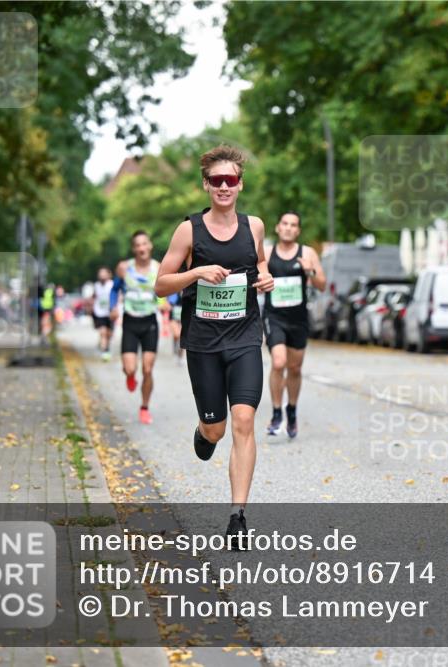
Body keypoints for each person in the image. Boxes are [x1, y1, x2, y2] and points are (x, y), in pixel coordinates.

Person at [154, 144, 274, 545]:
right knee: (218, 428)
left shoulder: (254, 226)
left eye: (231, 180)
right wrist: (197, 271)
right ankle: (205, 433)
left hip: (243, 338)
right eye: (217, 180)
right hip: (204, 342)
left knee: (244, 421)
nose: (225, 186)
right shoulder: (190, 230)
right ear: (206, 185)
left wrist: (266, 278)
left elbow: (260, 265)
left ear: (240, 185)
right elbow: (160, 284)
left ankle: (238, 516)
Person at [264, 211, 326, 438]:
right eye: (285, 224)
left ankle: (291, 410)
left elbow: (322, 285)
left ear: (298, 230)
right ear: (278, 227)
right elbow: (256, 279)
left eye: (293, 225)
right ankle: (276, 412)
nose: (289, 228)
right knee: (278, 362)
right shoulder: (267, 253)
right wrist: (262, 283)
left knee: (295, 368)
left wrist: (310, 270)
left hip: (298, 319)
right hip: (274, 317)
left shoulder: (307, 253)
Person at [113, 232, 167, 425]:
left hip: (150, 322)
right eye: (138, 245)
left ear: (150, 245)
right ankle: (130, 375)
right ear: (134, 249)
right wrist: (113, 307)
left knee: (147, 368)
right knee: (130, 368)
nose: (142, 248)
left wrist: (165, 302)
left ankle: (144, 407)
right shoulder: (124, 268)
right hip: (130, 321)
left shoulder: (159, 268)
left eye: (144, 244)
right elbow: (115, 289)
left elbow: (167, 291)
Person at [92, 267, 115, 361]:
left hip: (110, 313)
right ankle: (105, 351)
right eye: (100, 273)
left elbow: (118, 295)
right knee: (103, 332)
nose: (101, 275)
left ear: (109, 274)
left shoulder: (112, 284)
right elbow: (93, 296)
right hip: (99, 312)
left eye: (103, 273)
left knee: (109, 333)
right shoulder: (96, 285)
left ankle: (107, 346)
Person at [167, 292, 184, 364]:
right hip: (173, 317)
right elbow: (169, 303)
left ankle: (180, 356)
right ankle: (175, 349)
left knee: (182, 336)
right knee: (177, 334)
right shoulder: (174, 292)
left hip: (183, 317)